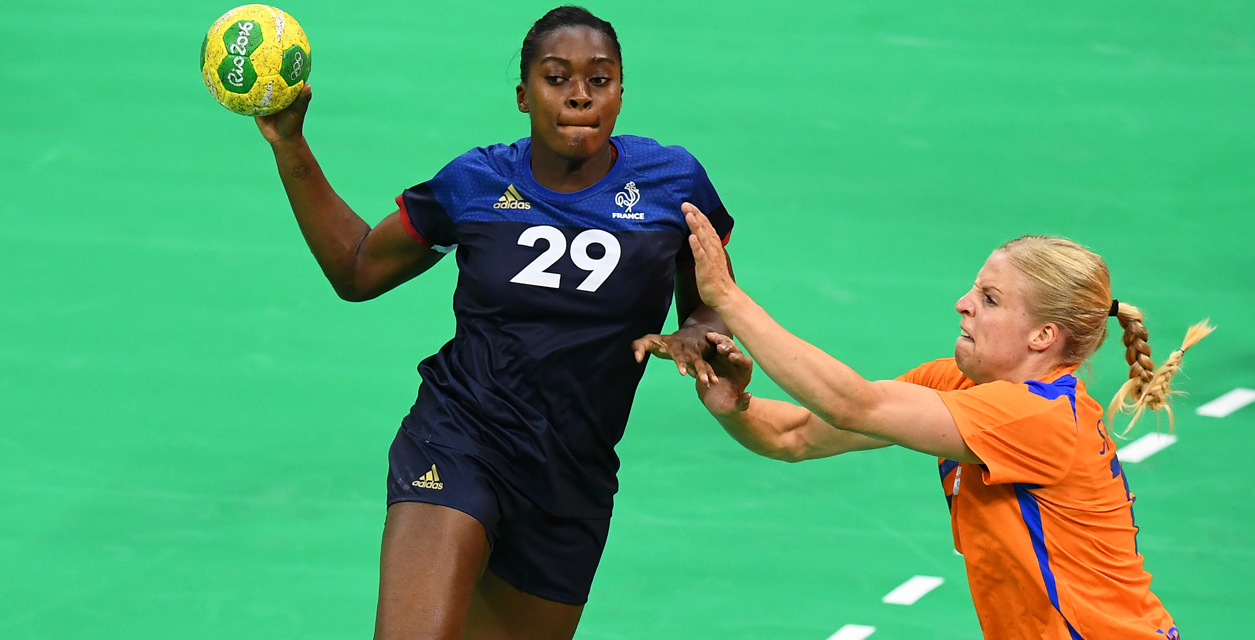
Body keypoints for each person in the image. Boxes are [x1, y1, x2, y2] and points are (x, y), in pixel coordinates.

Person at [254, 7, 735, 639]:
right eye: (556, 78)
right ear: (523, 96)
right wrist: (290, 145)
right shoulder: (477, 183)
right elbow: (358, 268)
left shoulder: (672, 183)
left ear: (621, 92)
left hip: (573, 476)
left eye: (599, 79)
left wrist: (699, 329)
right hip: (461, 436)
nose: (579, 96)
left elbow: (715, 296)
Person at [680, 210, 1208, 640]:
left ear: (1043, 336)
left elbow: (851, 404)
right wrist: (734, 405)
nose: (962, 304)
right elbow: (796, 435)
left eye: (989, 299)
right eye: (975, 290)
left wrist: (727, 298)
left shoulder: (1038, 416)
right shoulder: (959, 385)